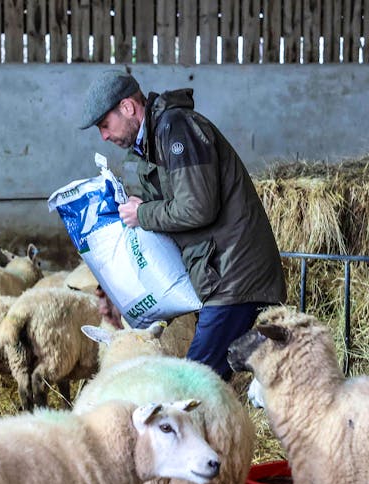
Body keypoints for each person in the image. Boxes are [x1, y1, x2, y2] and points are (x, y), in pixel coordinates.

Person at [79, 69, 287, 380]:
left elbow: (197, 207)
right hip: (220, 275)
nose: (104, 136)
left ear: (127, 107)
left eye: (104, 125)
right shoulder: (152, 143)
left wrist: (144, 213)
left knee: (191, 383)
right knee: (207, 382)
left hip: (234, 278)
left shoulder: (177, 130)